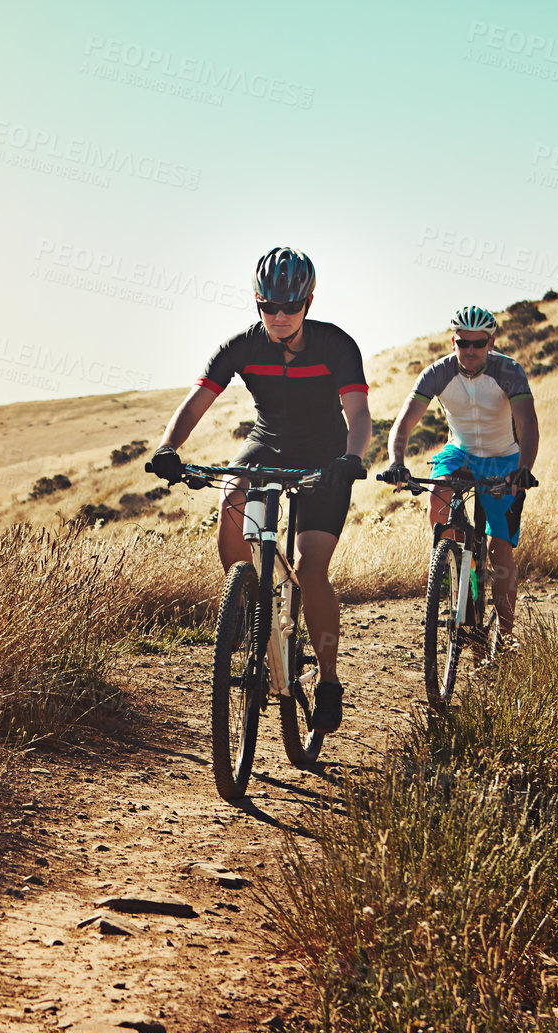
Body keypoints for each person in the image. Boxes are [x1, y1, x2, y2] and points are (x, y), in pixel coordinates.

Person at [145, 246, 370, 732]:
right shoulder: (242, 347)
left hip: (326, 455)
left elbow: (358, 413)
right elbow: (198, 399)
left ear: (310, 301)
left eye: (291, 307)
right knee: (230, 493)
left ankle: (327, 679)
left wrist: (351, 459)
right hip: (267, 443)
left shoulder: (335, 345)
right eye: (269, 307)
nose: (280, 317)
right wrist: (168, 446)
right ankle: (245, 603)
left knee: (312, 571)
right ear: (256, 303)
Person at [383, 304, 540, 642]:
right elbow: (404, 423)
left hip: (504, 459)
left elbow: (527, 423)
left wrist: (524, 469)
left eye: (478, 343)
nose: (469, 350)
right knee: (438, 495)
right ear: (452, 341)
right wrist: (397, 462)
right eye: (462, 342)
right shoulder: (437, 373)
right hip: (461, 452)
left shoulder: (509, 371)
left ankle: (505, 638)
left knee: (500, 548)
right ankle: (455, 573)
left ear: (491, 342)